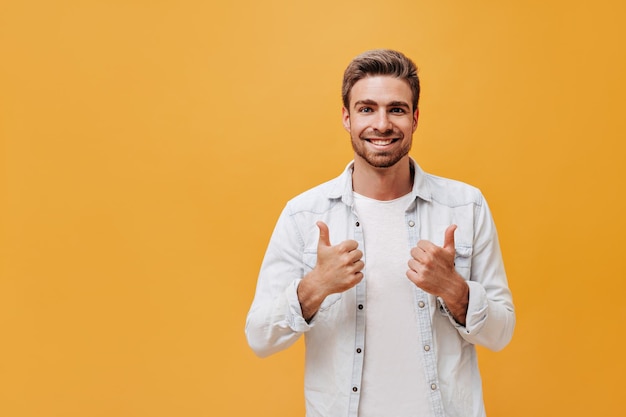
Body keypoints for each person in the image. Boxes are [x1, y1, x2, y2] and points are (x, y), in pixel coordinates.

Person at [245, 49, 515, 417]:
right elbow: (260, 338)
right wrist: (315, 286)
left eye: (397, 109)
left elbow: (501, 333)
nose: (382, 124)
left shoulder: (465, 206)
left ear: (415, 118)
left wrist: (454, 289)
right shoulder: (303, 215)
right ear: (347, 117)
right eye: (367, 109)